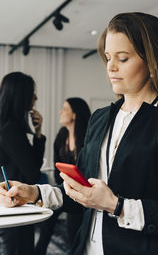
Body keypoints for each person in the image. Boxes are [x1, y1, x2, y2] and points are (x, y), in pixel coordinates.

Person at [0, 12, 158, 255]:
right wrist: (34, 193)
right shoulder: (100, 118)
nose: (110, 67)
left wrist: (115, 205)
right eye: (108, 57)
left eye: (122, 59)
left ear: (152, 61)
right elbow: (81, 191)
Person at [0, 71, 46, 255]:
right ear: (20, 96)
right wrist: (38, 136)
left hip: (11, 202)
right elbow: (33, 172)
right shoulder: (10, 130)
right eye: (31, 93)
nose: (35, 98)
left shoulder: (5, 126)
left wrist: (37, 133)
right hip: (13, 204)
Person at [35, 98, 91, 255]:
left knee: (73, 231)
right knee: (48, 216)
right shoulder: (62, 135)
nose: (61, 111)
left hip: (82, 192)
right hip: (65, 187)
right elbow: (56, 165)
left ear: (74, 114)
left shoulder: (88, 136)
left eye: (64, 108)